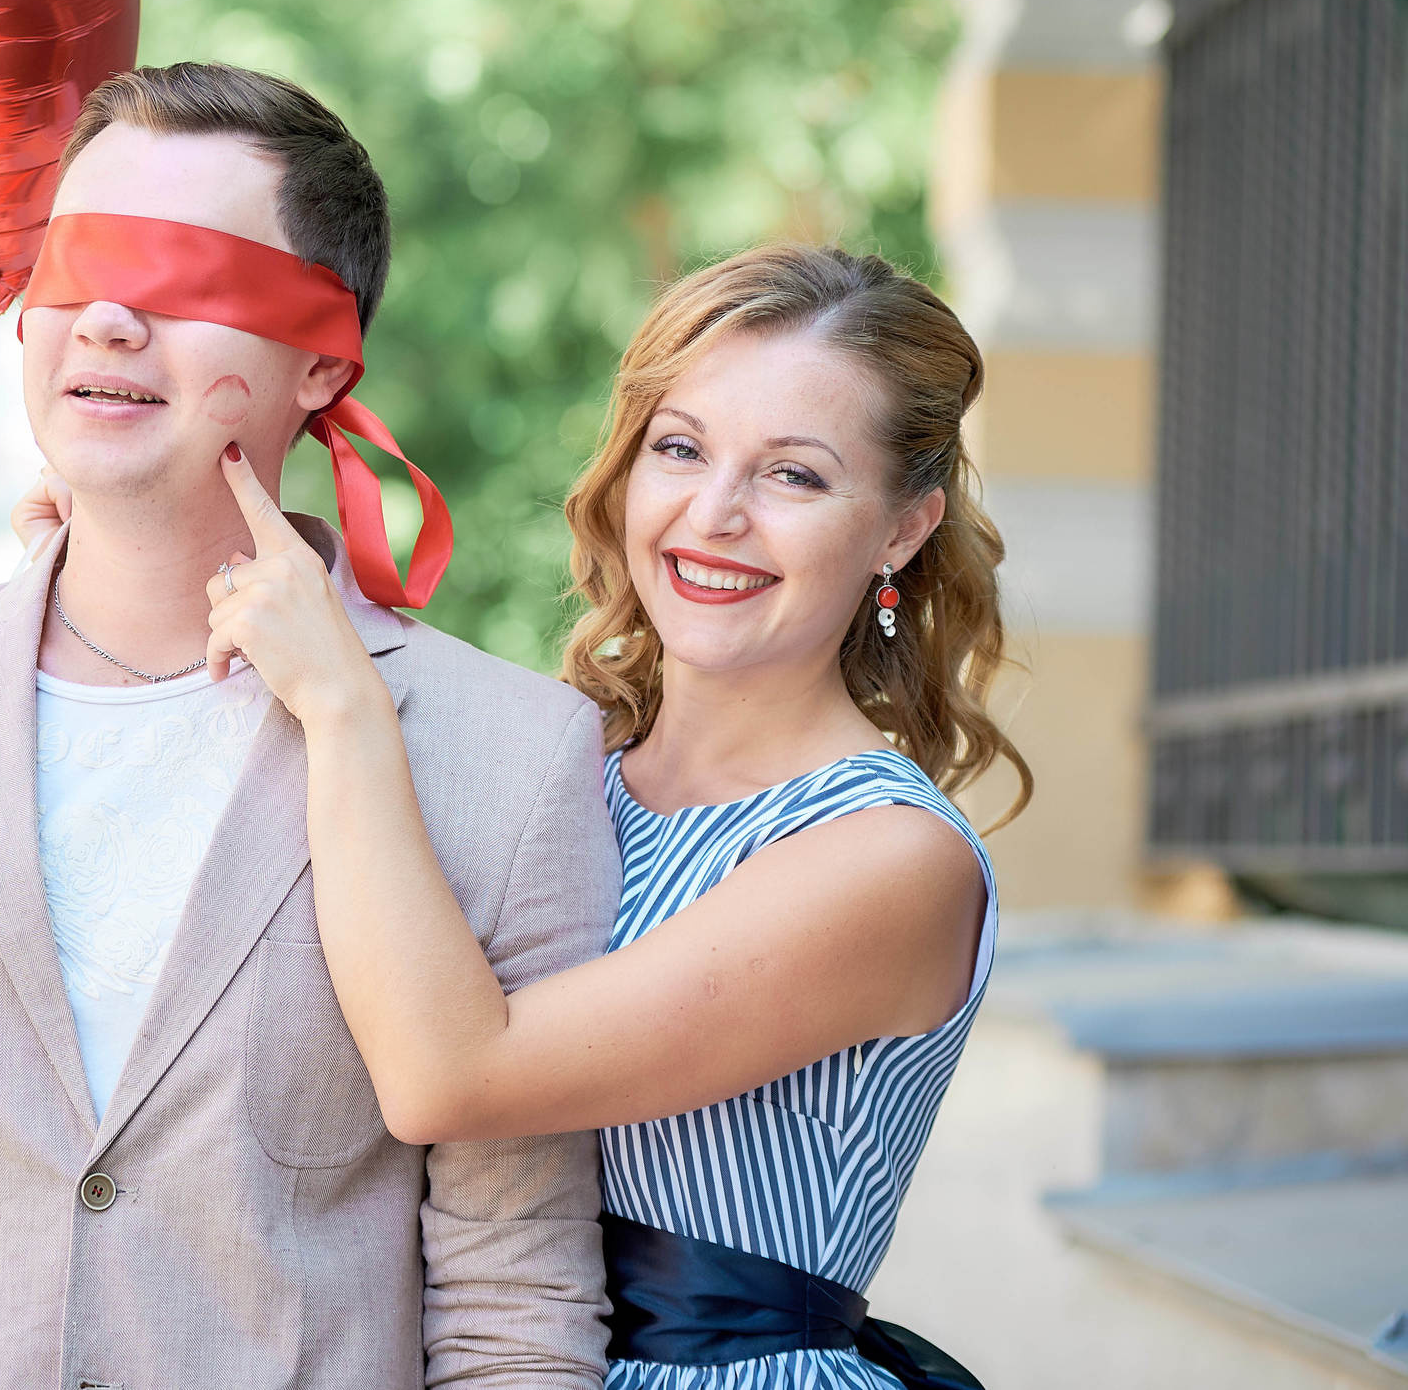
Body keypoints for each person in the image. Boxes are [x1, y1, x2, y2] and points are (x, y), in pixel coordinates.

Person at [0, 62, 623, 1389]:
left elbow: (512, 1305)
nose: (110, 321)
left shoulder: (512, 760)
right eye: (76, 264)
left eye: (187, 274)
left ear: (323, 355)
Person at [195, 245, 1029, 1389]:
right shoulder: (563, 770)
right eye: (679, 449)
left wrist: (342, 703)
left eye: (792, 475)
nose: (714, 512)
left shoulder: (888, 858)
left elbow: (453, 1075)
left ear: (899, 528)